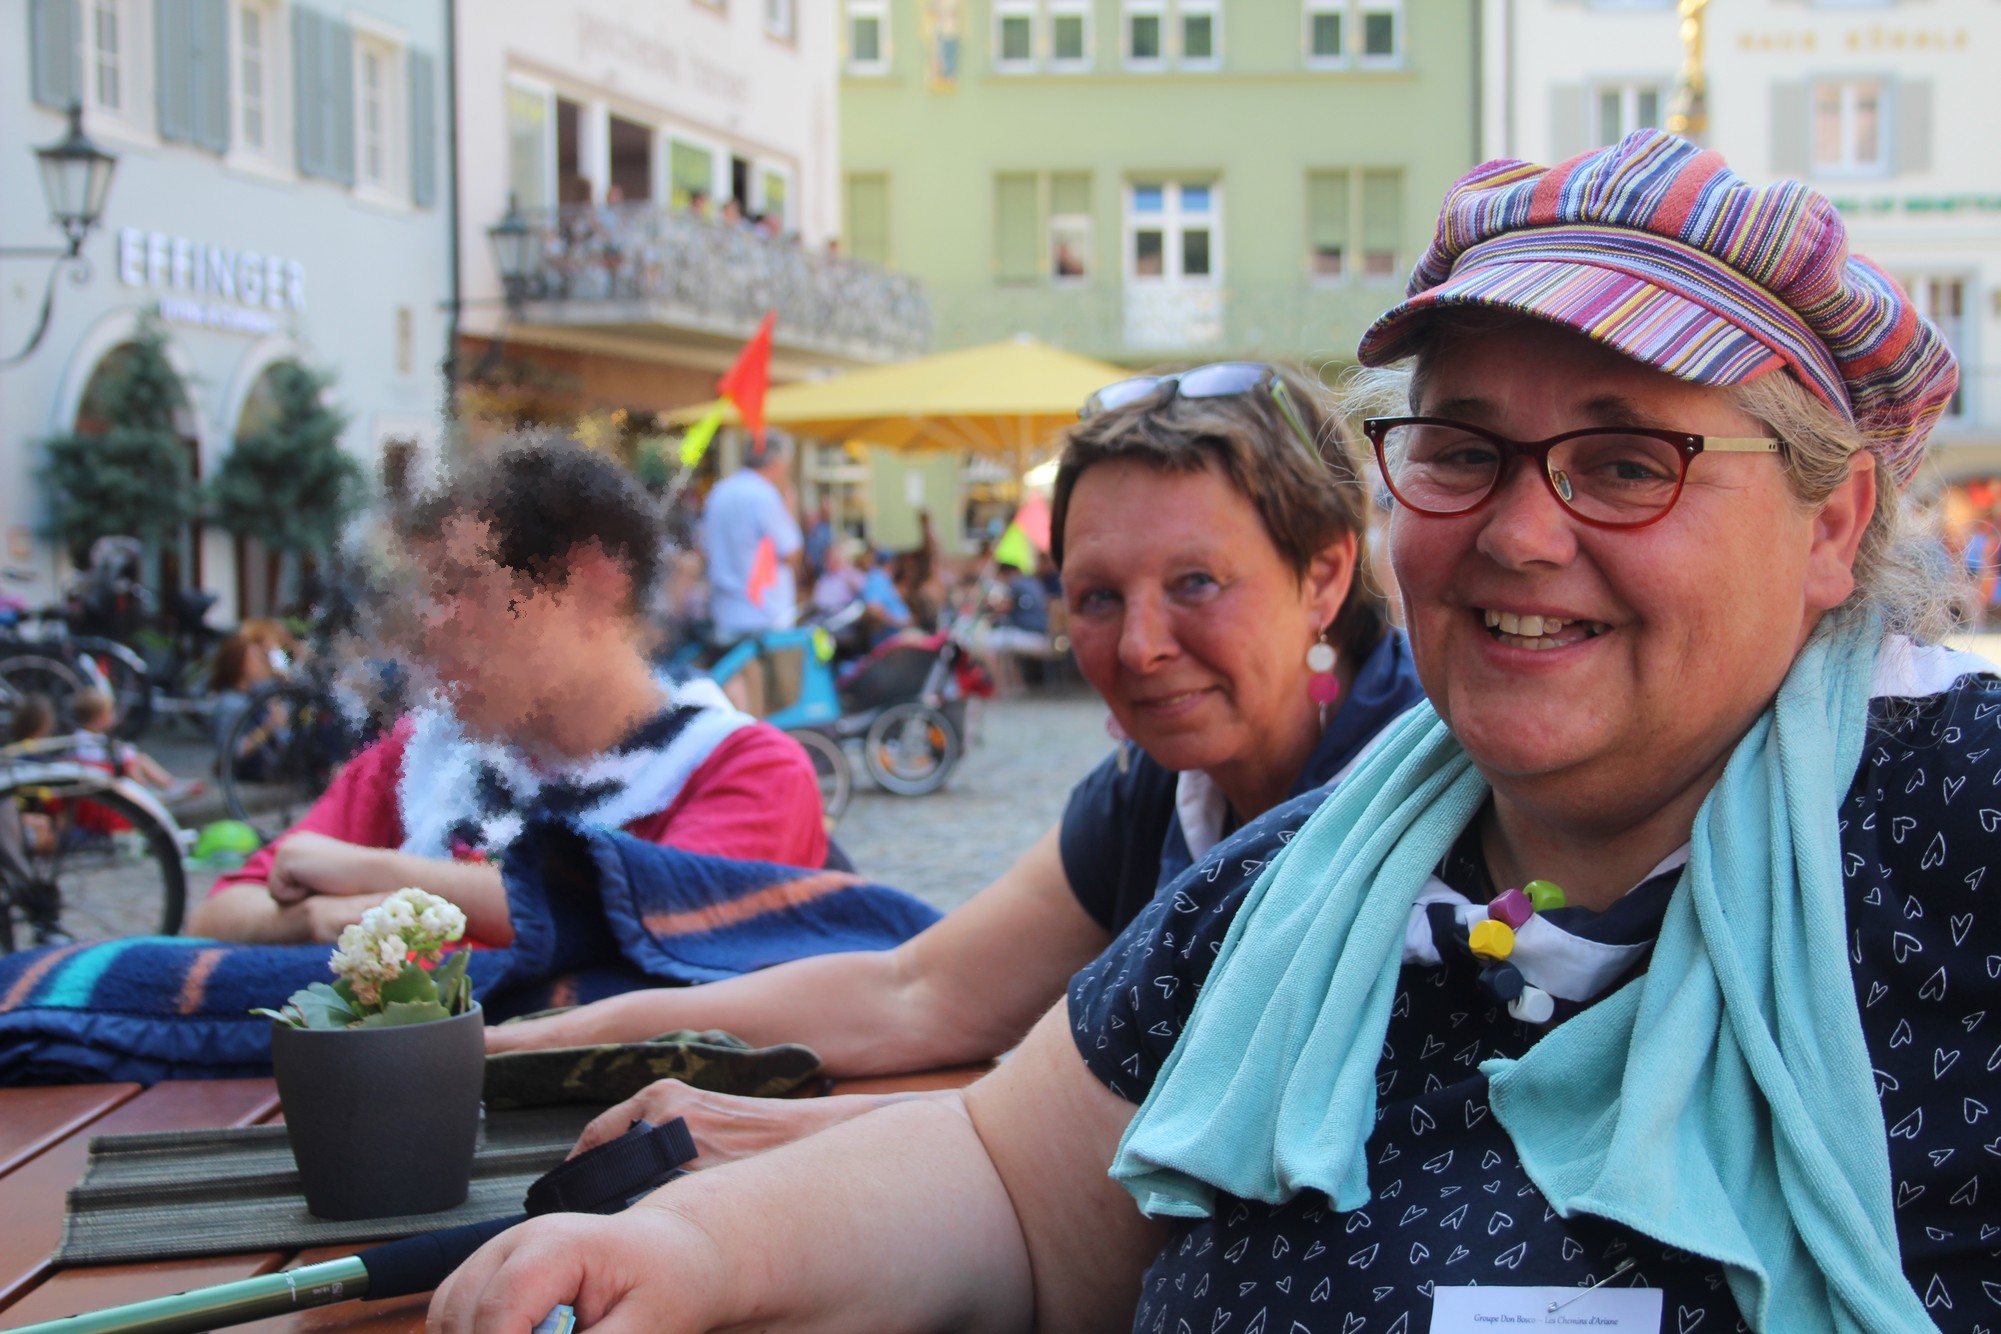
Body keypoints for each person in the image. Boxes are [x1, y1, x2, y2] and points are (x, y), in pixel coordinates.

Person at [433, 133, 1996, 1334]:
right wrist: (675, 1252)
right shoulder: (1305, 873)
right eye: (1458, 449)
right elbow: (1006, 1183)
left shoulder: (1963, 824)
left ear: (1829, 524)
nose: (1518, 532)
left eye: (1620, 459)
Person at [484, 361, 1427, 1175]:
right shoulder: (1162, 783)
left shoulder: (1409, 792)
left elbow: (1185, 1124)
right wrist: (520, 1043)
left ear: (1324, 577)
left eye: (1195, 584)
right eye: (1097, 596)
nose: (1138, 646)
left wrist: (791, 1131)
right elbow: (916, 991)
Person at [186, 438, 828, 948]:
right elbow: (220, 916)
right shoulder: (420, 757)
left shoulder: (742, 769)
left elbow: (645, 923)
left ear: (591, 587)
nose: (432, 624)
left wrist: (384, 883)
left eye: (464, 587)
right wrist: (320, 923)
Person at [698, 432, 804, 716]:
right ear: (777, 461)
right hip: (765, 613)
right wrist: (790, 509)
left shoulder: (720, 492)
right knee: (771, 704)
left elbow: (703, 548)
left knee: (736, 700)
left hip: (727, 610)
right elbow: (791, 550)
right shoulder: (765, 495)